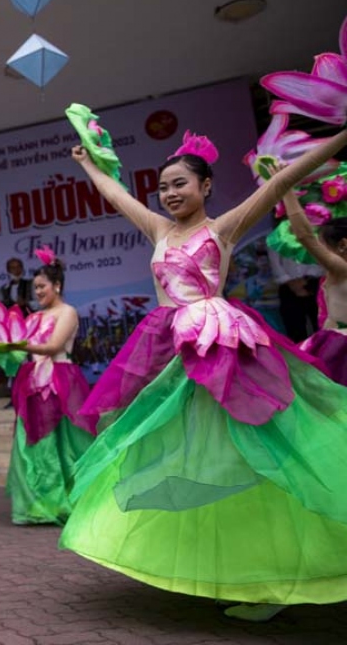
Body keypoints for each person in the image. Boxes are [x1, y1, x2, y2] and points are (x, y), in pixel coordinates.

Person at [61, 124, 347, 622]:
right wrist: (86, 164)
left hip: (224, 351)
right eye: (164, 187)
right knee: (194, 464)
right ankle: (231, 573)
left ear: (206, 186)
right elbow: (114, 193)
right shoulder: (156, 229)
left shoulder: (223, 229)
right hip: (174, 360)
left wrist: (342, 136)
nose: (170, 194)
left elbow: (283, 183)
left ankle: (268, 583)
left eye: (181, 184)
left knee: (251, 460)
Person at [3, 251, 93, 525]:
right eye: (35, 288)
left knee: (64, 443)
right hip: (33, 384)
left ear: (58, 286)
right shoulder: (32, 318)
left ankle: (67, 500)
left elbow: (53, 347)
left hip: (59, 380)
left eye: (42, 287)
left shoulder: (67, 312)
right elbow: (22, 353)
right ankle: (39, 503)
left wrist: (18, 345)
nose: (38, 292)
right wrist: (1, 349)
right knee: (36, 444)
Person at [279, 192, 347, 381]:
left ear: (342, 245)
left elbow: (304, 235)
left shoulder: (340, 268)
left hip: (340, 349)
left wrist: (287, 192)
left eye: (322, 244)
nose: (318, 250)